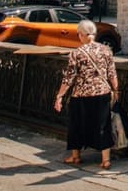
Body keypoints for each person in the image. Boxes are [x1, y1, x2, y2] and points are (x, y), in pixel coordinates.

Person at [53, 19, 119, 169]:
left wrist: (60, 95)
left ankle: (76, 156)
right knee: (103, 125)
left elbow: (69, 78)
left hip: (81, 95)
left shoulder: (76, 54)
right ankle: (105, 160)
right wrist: (116, 90)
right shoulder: (106, 50)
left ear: (82, 35)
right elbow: (112, 74)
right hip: (102, 92)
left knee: (76, 125)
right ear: (94, 34)